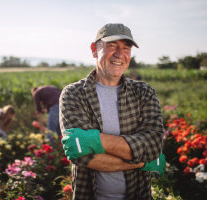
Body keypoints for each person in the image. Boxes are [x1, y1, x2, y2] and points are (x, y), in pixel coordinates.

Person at [60, 23, 166, 200]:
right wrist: (141, 163)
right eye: (111, 46)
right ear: (94, 49)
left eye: (126, 48)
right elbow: (82, 157)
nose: (119, 54)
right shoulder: (74, 94)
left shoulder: (144, 92)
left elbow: (153, 146)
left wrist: (94, 140)